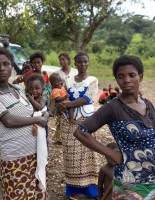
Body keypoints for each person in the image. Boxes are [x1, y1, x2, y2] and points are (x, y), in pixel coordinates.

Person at [74, 55, 155, 199]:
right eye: (121, 76)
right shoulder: (113, 107)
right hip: (131, 184)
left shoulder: (148, 104)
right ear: (117, 80)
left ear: (140, 77)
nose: (126, 80)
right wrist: (111, 153)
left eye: (131, 75)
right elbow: (81, 132)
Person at [0, 47, 49, 200]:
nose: (2, 68)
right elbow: (9, 121)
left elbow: (34, 110)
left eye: (6, 64)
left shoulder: (18, 88)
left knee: (38, 195)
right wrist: (38, 119)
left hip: (36, 155)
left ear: (11, 66)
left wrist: (43, 113)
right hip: (15, 159)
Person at [55, 52, 99, 200]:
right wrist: (60, 104)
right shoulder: (68, 80)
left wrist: (65, 105)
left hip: (86, 120)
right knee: (70, 156)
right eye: (79, 62)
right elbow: (63, 94)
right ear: (75, 64)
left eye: (85, 61)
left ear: (88, 62)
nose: (82, 64)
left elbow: (86, 99)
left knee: (89, 153)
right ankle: (73, 190)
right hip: (68, 121)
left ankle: (91, 191)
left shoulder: (93, 80)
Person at [52, 53, 78, 142]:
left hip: (74, 96)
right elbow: (54, 87)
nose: (61, 61)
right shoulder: (57, 73)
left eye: (63, 59)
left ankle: (73, 136)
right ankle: (60, 138)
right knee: (62, 116)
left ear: (68, 60)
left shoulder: (75, 71)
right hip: (62, 97)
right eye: (60, 60)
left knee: (74, 114)